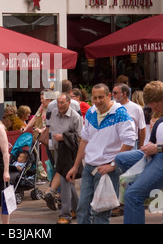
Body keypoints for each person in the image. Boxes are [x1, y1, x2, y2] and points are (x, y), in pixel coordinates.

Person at [114, 80, 163, 224]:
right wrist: (156, 148)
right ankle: (147, 184)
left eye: (156, 106)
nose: (156, 111)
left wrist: (158, 148)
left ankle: (144, 188)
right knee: (120, 158)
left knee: (132, 195)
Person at [66, 83, 136, 224]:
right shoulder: (91, 112)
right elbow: (84, 140)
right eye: (95, 97)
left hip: (107, 170)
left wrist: (113, 164)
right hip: (89, 167)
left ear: (109, 96)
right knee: (82, 209)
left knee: (101, 213)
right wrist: (75, 166)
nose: (97, 101)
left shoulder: (120, 113)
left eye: (101, 97)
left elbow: (129, 141)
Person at [49, 93, 83, 224]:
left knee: (65, 180)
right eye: (58, 102)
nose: (60, 105)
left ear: (69, 103)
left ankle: (66, 215)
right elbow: (50, 129)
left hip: (70, 152)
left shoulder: (75, 116)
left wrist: (64, 137)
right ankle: (77, 209)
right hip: (58, 151)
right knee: (67, 181)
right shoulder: (53, 113)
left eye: (62, 103)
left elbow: (80, 137)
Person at [113, 83, 146, 148]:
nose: (113, 95)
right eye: (113, 93)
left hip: (131, 144)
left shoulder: (136, 108)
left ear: (124, 94)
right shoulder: (111, 107)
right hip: (114, 144)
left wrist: (141, 146)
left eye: (115, 93)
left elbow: (142, 128)